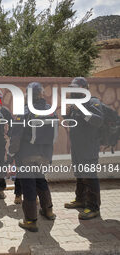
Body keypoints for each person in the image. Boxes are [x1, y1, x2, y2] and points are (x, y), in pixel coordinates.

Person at [7, 82, 57, 232]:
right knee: (41, 180)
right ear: (41, 94)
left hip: (27, 155)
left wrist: (10, 155)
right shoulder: (50, 110)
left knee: (28, 185)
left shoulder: (25, 111)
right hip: (44, 155)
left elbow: (16, 137)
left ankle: (30, 220)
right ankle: (48, 211)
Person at [63, 77, 104, 220]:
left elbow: (97, 121)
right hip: (78, 147)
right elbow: (70, 121)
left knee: (90, 176)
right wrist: (67, 113)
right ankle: (80, 199)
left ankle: (93, 207)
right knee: (79, 174)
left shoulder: (93, 102)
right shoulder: (76, 104)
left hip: (89, 148)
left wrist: (79, 109)